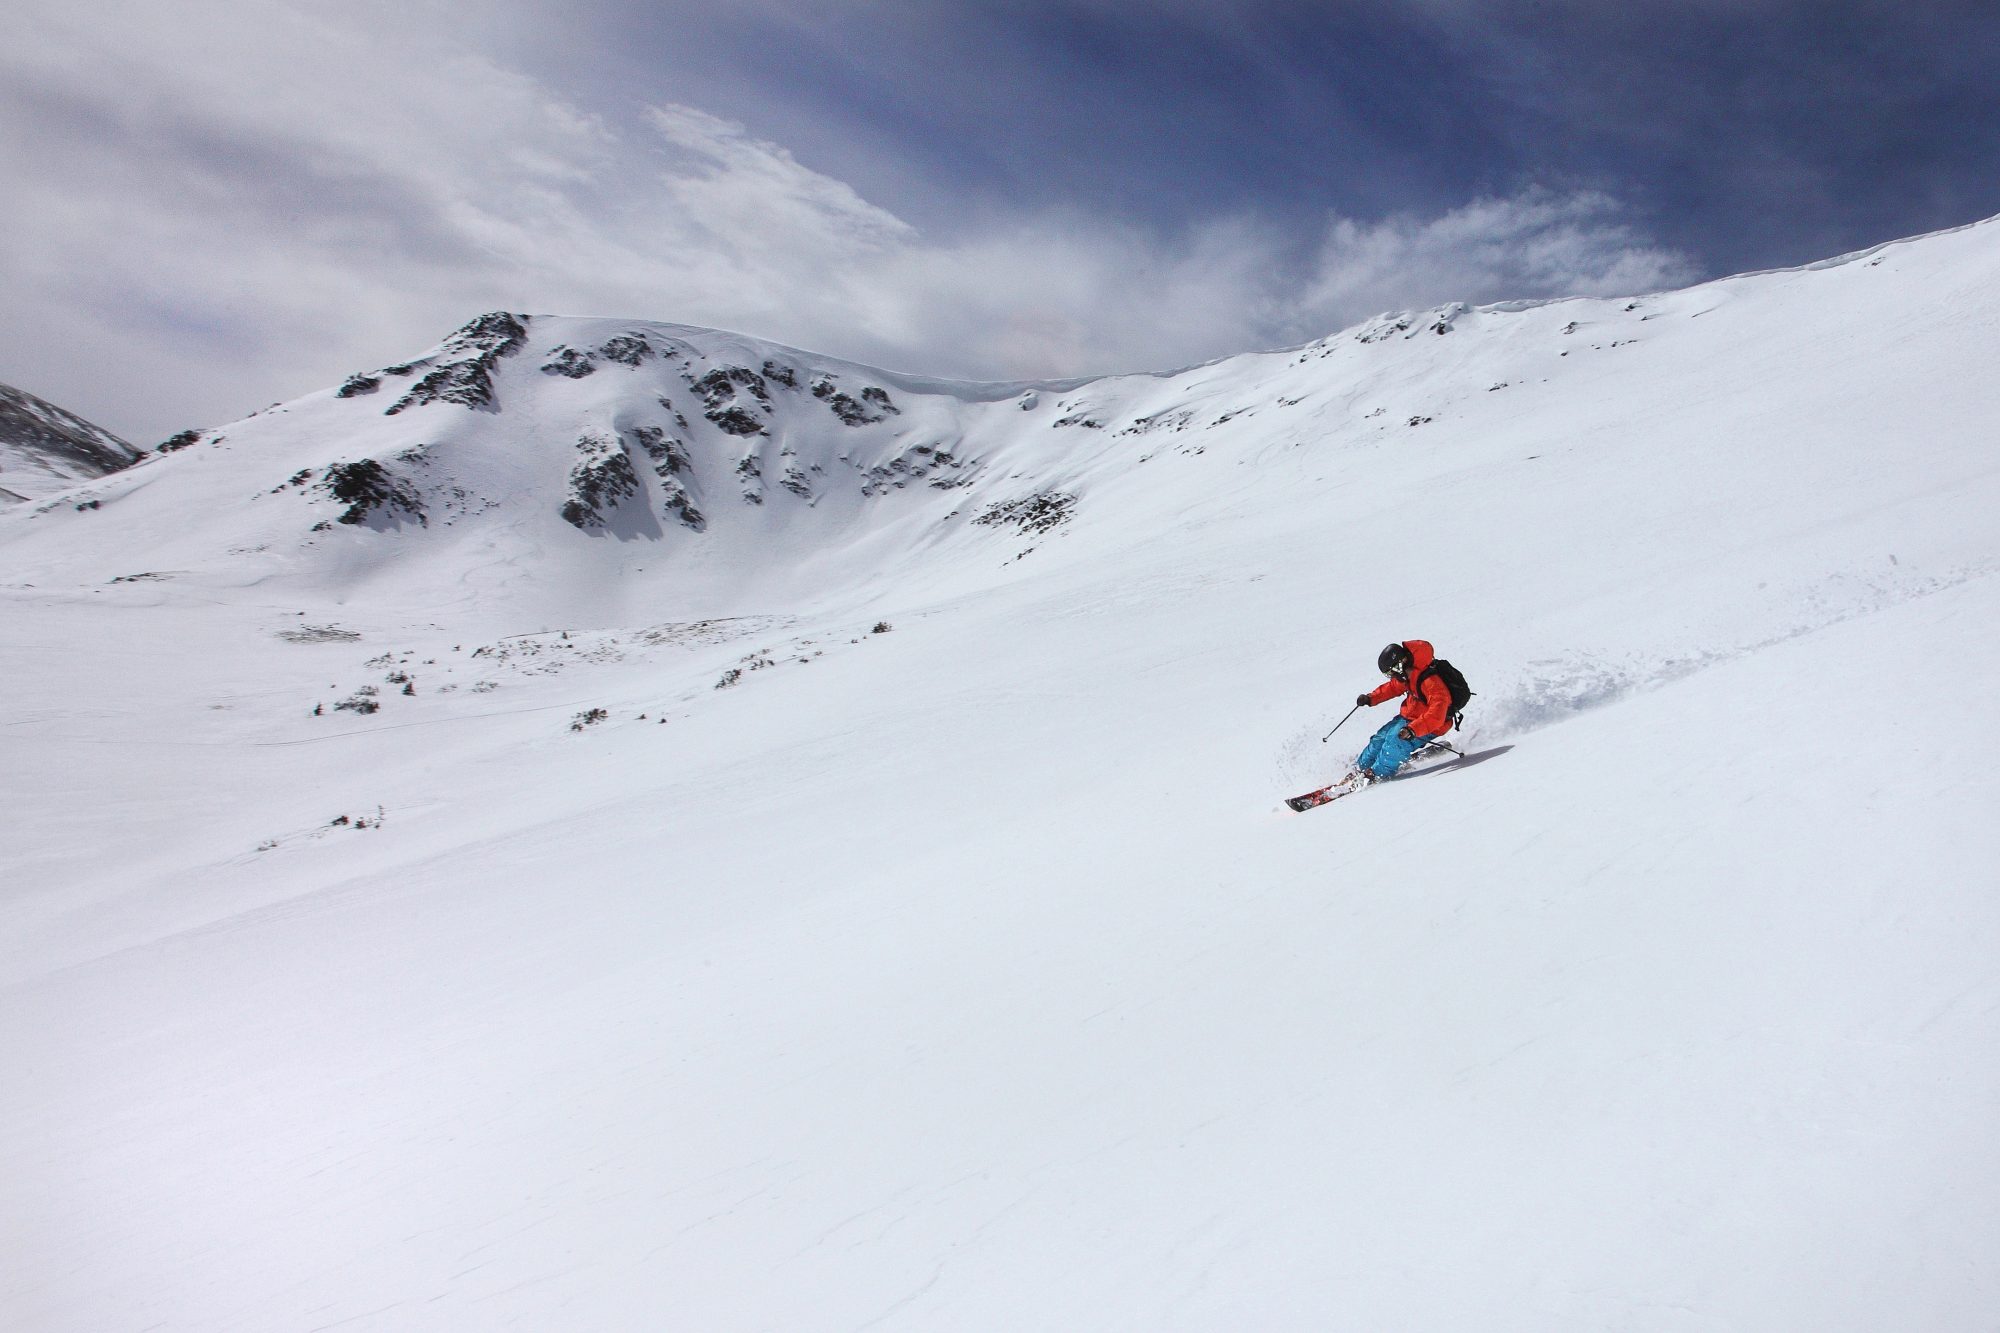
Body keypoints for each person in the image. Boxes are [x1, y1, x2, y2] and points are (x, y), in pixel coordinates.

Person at [1350, 640, 1454, 783]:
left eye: (1392, 671)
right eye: (1389, 673)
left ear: (1401, 663)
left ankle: (1377, 774)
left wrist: (1413, 730)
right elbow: (1392, 687)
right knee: (1380, 738)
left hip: (1430, 724)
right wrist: (1370, 698)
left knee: (1395, 741)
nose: (1392, 675)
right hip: (1409, 717)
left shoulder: (1431, 683)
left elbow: (1437, 715)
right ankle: (1361, 767)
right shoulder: (1408, 674)